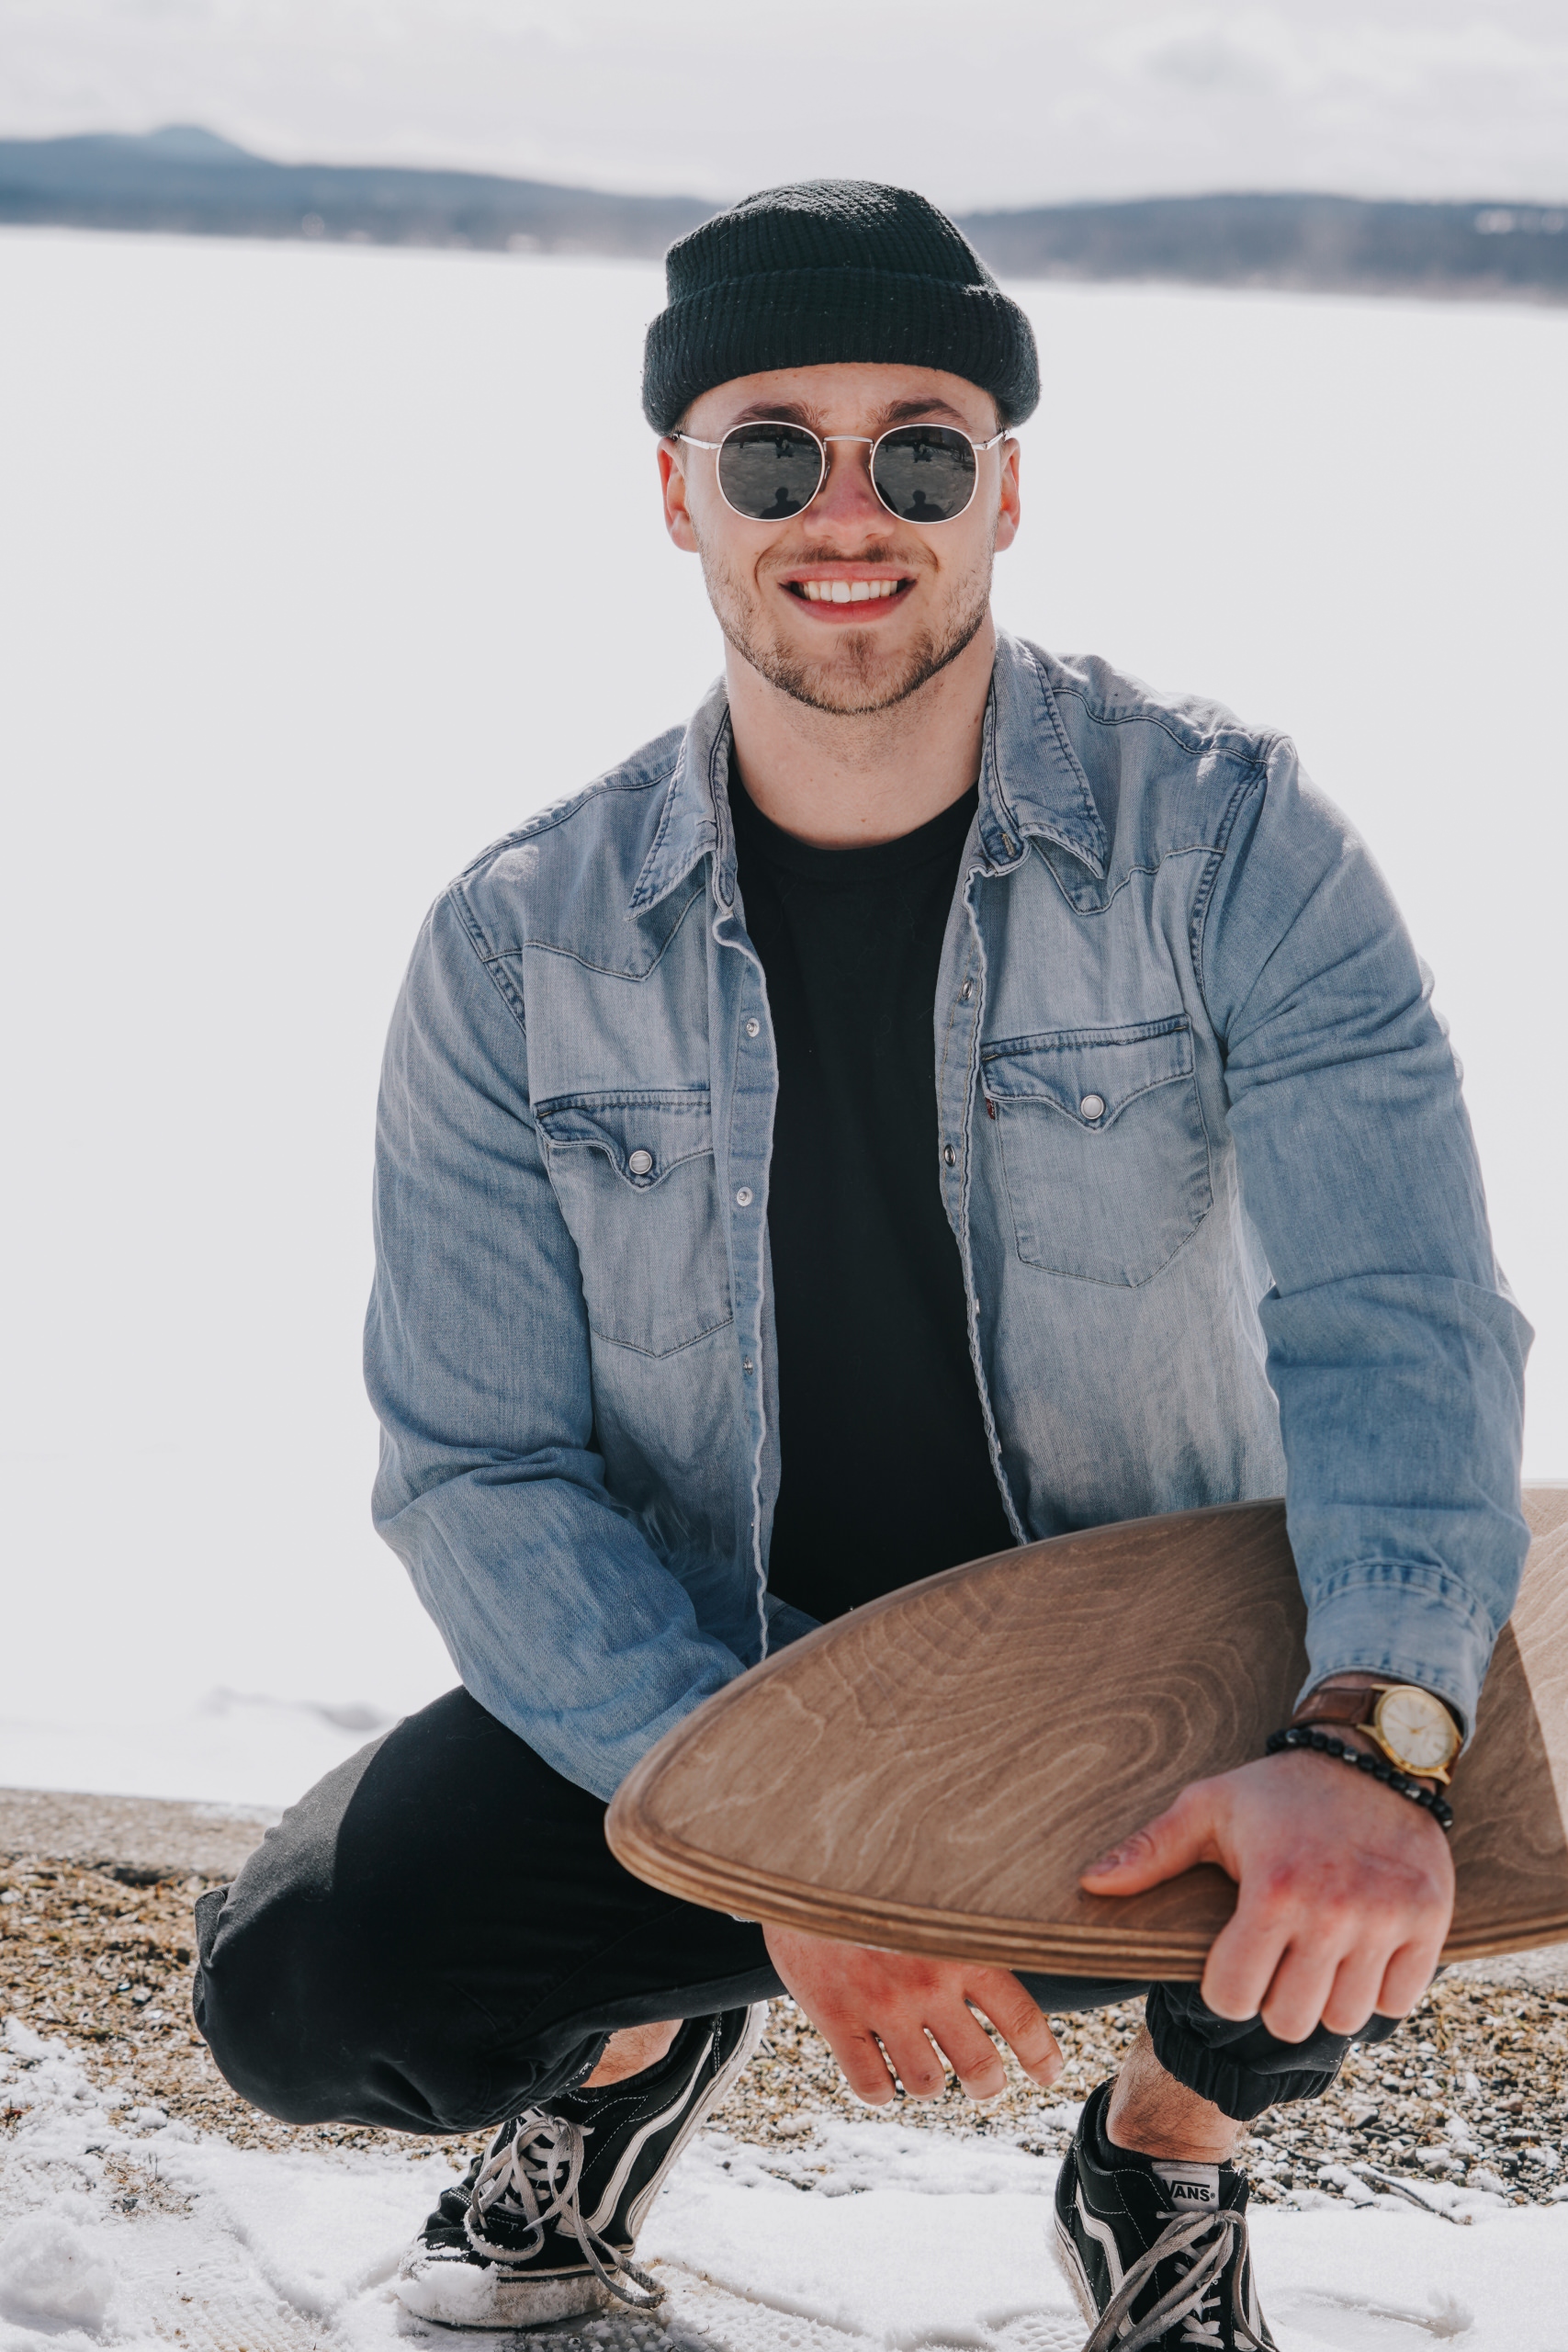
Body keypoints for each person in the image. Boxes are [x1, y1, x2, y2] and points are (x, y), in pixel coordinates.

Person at [192, 182, 1529, 2349]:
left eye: (917, 448)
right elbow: (478, 1468)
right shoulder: (516, 943)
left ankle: (1163, 2142)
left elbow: (1397, 1323)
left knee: (1390, 1810)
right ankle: (633, 2042)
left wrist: (1370, 1735)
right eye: (769, 450)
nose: (847, 511)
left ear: (1002, 487)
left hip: (1127, 1659)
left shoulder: (1228, 843)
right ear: (675, 494)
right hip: (718, 1673)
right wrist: (765, 1840)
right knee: (314, 1984)